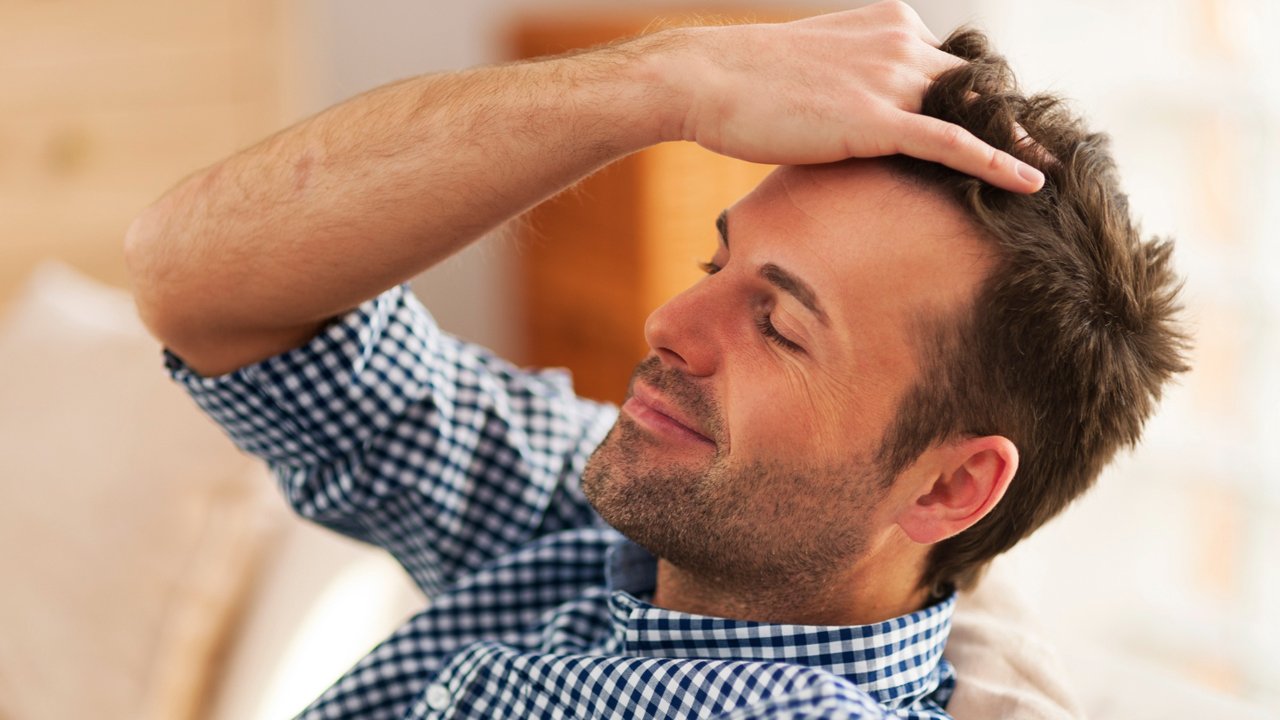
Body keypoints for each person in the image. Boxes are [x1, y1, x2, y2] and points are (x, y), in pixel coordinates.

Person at [125, 2, 1188, 718]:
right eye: (712, 261)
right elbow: (194, 283)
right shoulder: (605, 521)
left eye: (777, 326)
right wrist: (669, 80)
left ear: (952, 484)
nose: (669, 323)